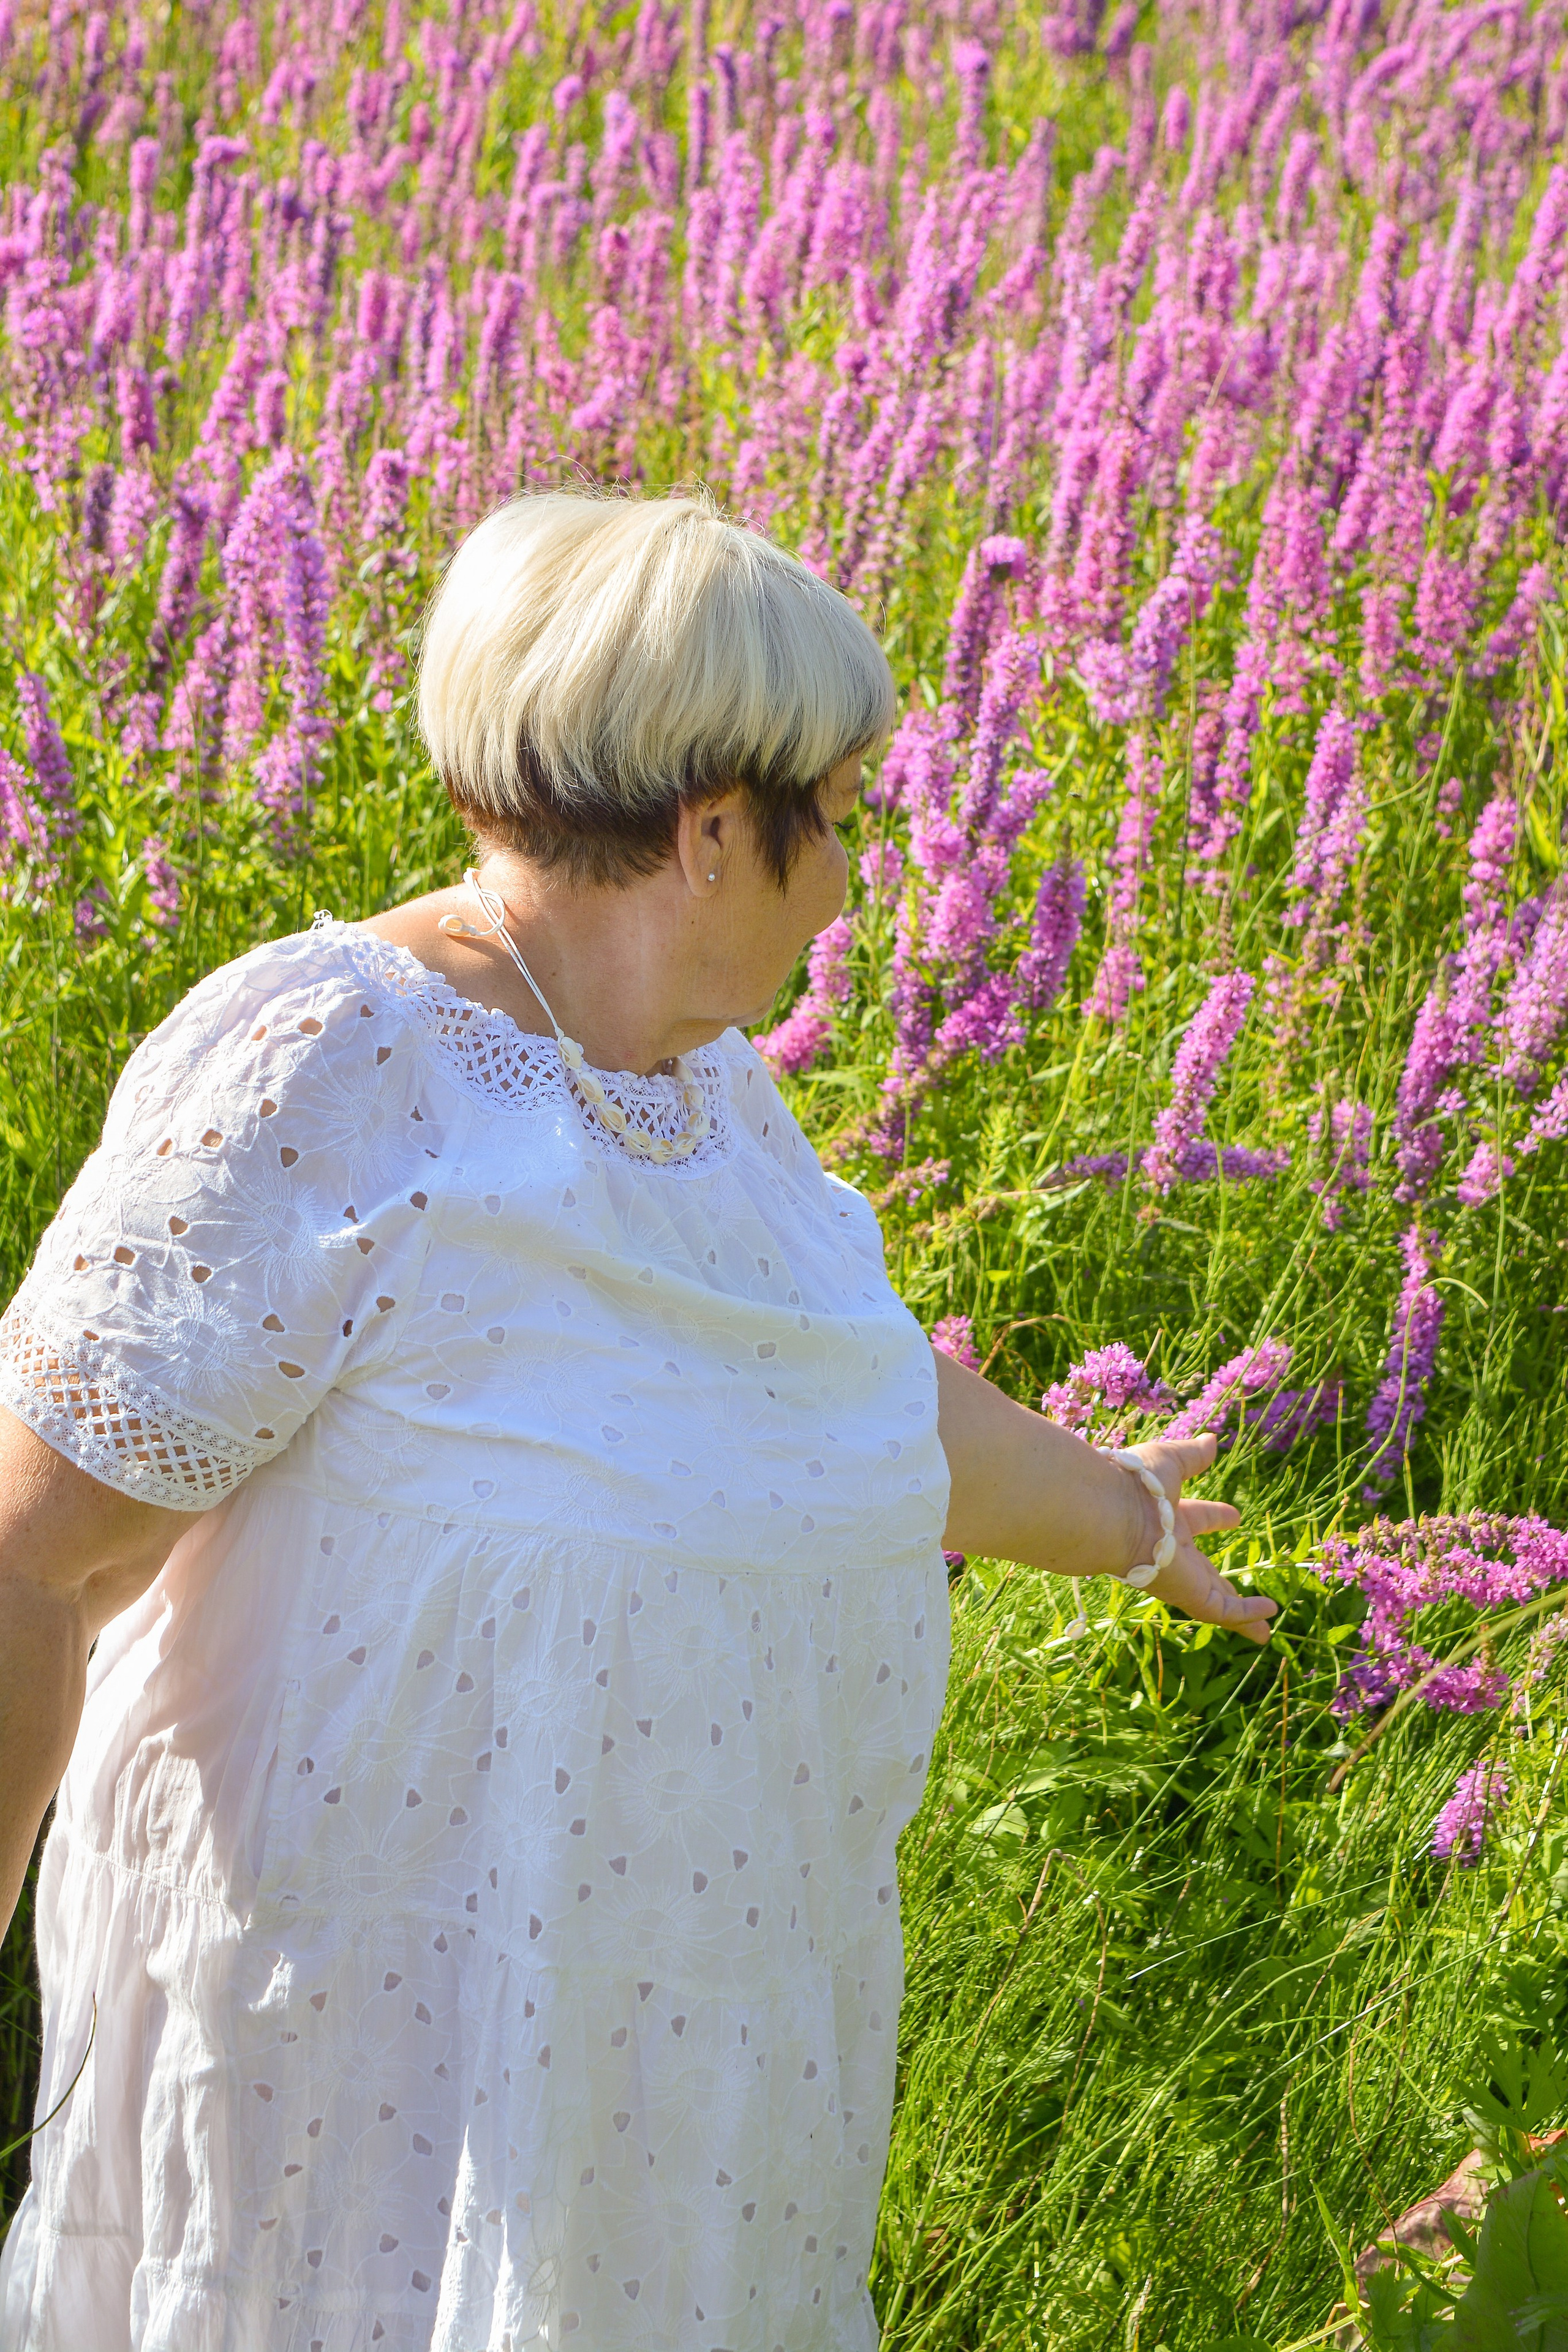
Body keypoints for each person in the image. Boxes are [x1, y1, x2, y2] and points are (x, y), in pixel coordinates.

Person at [0, 487, 1273, 2352]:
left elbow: (840, 1406)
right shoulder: (329, 1065)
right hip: (339, 2100)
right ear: (707, 831)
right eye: (828, 819)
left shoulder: (701, 1101)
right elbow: (36, 1549)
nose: (852, 876)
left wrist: (1133, 1518)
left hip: (660, 2114)